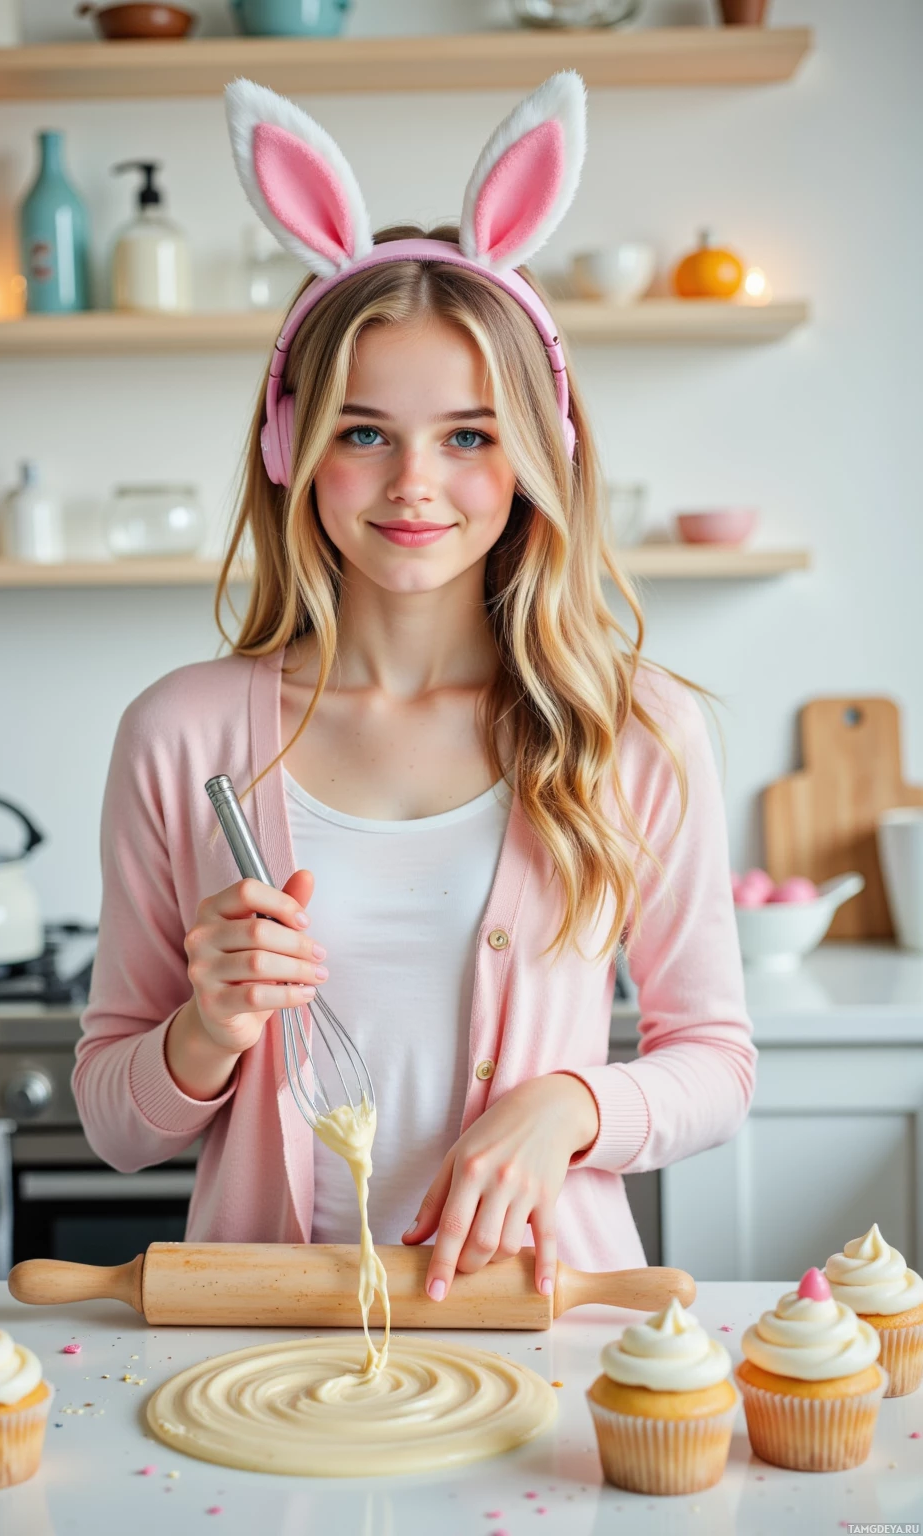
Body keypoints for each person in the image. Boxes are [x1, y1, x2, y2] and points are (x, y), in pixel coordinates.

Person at [73, 72, 755, 1303]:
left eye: (470, 435)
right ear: (291, 448)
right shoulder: (180, 736)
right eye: (364, 430)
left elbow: (716, 1060)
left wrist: (573, 1106)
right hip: (261, 1345)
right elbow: (120, 1123)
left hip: (546, 1333)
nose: (414, 486)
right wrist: (202, 1033)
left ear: (542, 453)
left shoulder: (633, 730)